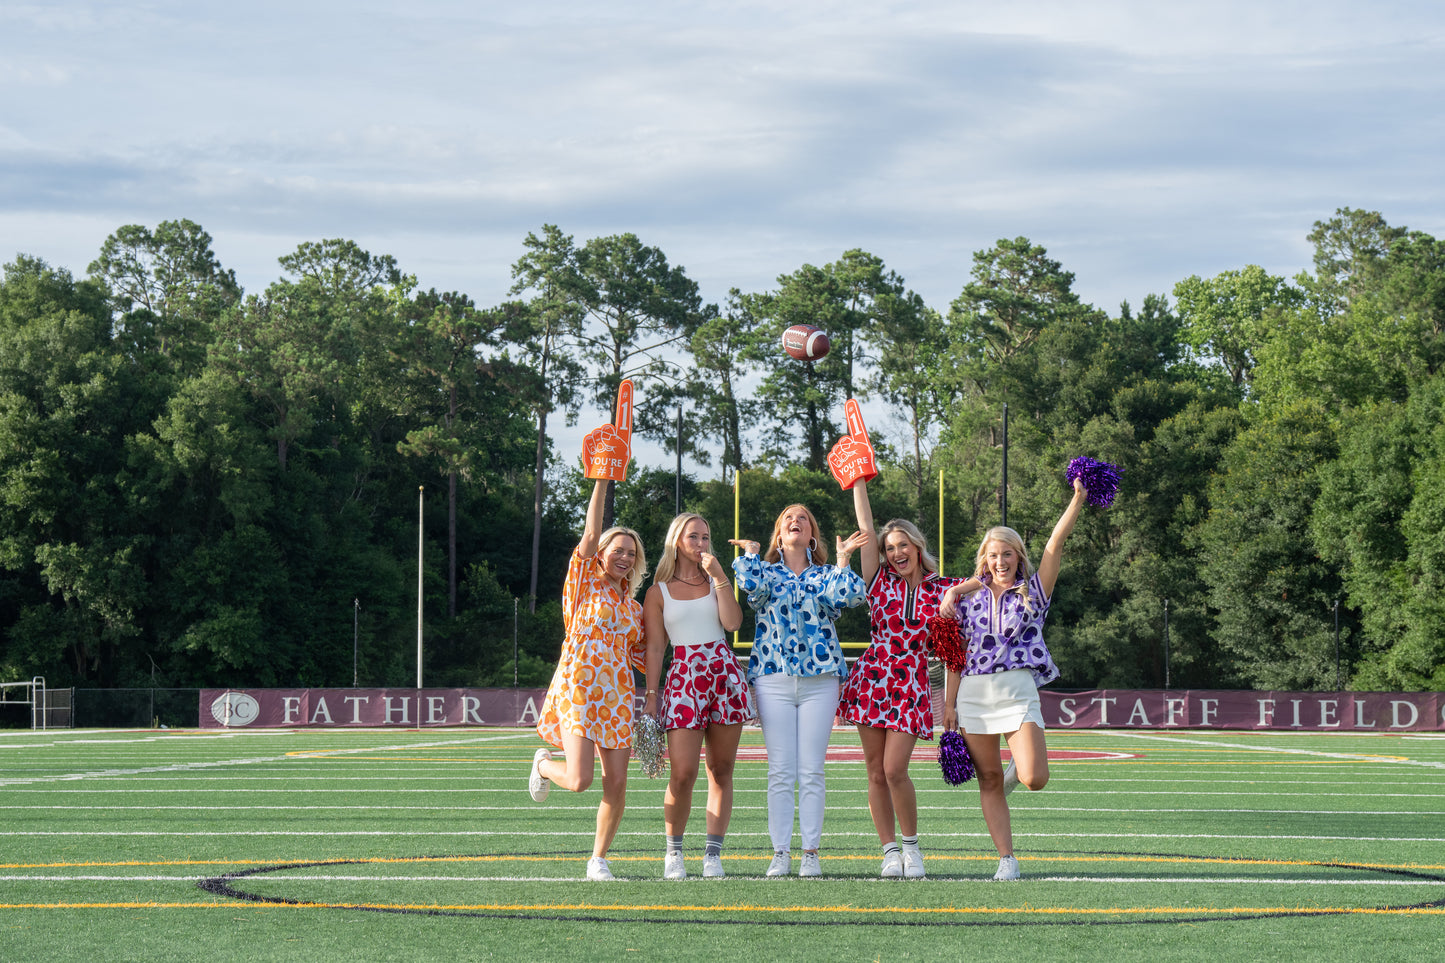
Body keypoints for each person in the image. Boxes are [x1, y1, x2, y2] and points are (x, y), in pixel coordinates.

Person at [940, 477, 1088, 881]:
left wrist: (1076, 500)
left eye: (1007, 554)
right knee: (987, 779)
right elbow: (955, 657)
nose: (1000, 561)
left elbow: (1054, 545)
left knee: (1033, 777)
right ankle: (1007, 859)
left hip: (1017, 690)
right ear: (984, 560)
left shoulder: (1034, 592)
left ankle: (1016, 772)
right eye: (993, 556)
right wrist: (949, 705)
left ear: (1018, 556)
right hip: (973, 694)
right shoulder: (966, 601)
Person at [732, 504, 869, 878]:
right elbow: (751, 589)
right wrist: (749, 554)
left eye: (804, 519)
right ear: (780, 533)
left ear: (812, 535)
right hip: (773, 678)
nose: (796, 522)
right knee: (780, 770)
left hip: (820, 680)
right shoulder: (766, 571)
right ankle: (780, 852)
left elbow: (851, 597)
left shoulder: (826, 575)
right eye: (788, 519)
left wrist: (843, 560)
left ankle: (810, 852)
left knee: (811, 770)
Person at [837, 478, 965, 879]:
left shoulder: (943, 587)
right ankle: (889, 850)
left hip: (910, 680)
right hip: (873, 676)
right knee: (875, 770)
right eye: (890, 548)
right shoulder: (877, 580)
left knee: (895, 769)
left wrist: (956, 594)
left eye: (902, 545)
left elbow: (955, 649)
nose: (896, 553)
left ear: (917, 546)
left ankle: (912, 847)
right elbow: (866, 522)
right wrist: (858, 480)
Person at [529, 477, 648, 882]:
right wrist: (602, 477)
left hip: (616, 695)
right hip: (578, 688)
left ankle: (598, 858)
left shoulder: (633, 608)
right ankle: (544, 765)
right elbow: (591, 532)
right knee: (580, 779)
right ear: (601, 555)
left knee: (616, 781)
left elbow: (644, 657)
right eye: (618, 551)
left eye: (631, 554)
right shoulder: (582, 586)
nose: (625, 558)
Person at [641, 513, 750, 880]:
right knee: (683, 773)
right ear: (677, 541)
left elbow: (733, 624)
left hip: (724, 676)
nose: (701, 544)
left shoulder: (718, 579)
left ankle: (713, 855)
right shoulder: (658, 592)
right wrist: (652, 696)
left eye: (706, 537)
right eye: (694, 537)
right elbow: (655, 648)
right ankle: (674, 853)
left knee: (721, 771)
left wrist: (720, 577)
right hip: (684, 678)